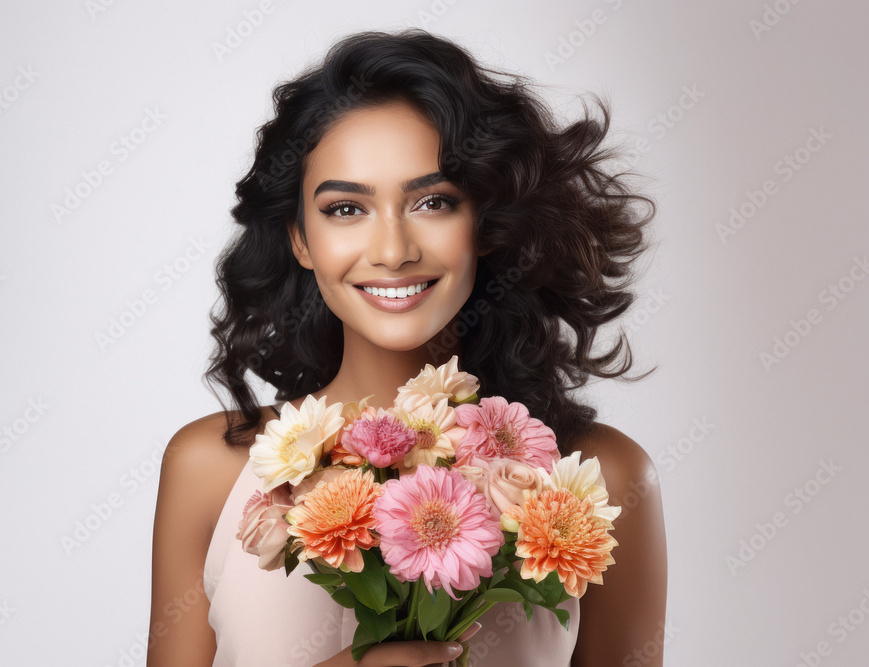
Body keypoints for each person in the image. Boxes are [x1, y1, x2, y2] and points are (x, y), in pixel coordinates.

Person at [148, 28, 667, 667]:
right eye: (346, 209)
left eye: (433, 202)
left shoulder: (602, 479)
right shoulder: (208, 470)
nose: (393, 251)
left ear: (488, 225)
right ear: (301, 240)